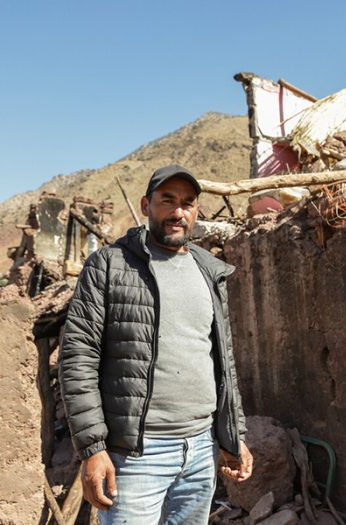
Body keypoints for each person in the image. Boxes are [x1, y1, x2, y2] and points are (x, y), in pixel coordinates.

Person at [59, 164, 253, 524]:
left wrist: (232, 434)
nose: (178, 211)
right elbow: (77, 359)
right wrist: (92, 450)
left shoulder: (208, 271)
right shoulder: (109, 265)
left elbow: (221, 362)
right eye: (168, 200)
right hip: (135, 456)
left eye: (188, 203)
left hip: (200, 450)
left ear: (196, 211)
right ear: (146, 205)